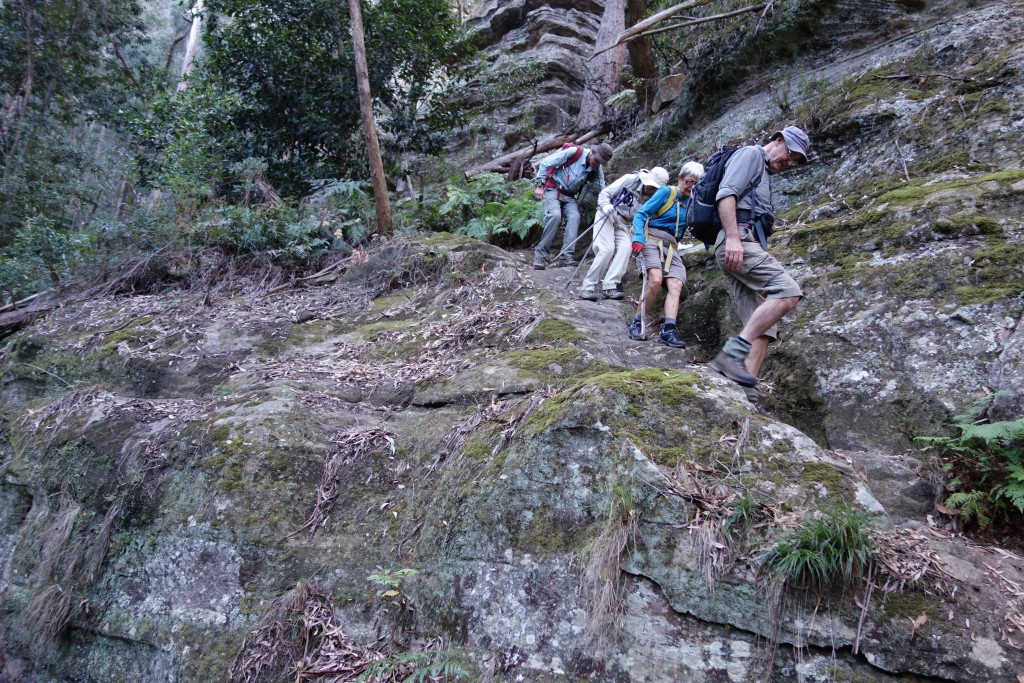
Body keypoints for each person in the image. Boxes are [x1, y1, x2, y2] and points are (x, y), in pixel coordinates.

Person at [708, 126, 811, 398]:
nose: (789, 162)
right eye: (790, 154)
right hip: (737, 240)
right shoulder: (751, 155)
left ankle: (746, 392)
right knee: (788, 291)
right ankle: (731, 355)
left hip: (745, 241)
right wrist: (732, 238)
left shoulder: (764, 172)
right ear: (778, 140)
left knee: (765, 326)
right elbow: (726, 194)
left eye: (795, 161)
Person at [628, 162, 705, 347]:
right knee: (655, 279)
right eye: (689, 181)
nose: (691, 186)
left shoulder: (694, 202)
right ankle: (637, 322)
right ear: (680, 178)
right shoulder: (666, 193)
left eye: (696, 183)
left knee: (676, 284)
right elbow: (641, 214)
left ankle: (668, 330)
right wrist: (638, 236)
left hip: (671, 246)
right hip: (651, 239)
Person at [578, 167, 670, 301]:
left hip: (625, 224)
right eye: (650, 185)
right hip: (608, 214)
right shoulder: (630, 180)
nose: (651, 189)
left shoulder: (656, 197)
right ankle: (587, 287)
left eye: (655, 188)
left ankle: (610, 286)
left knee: (626, 248)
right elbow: (605, 193)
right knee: (606, 249)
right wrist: (605, 206)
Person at [532, 143, 613, 270]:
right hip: (554, 188)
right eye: (596, 160)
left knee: (575, 217)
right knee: (555, 215)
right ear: (592, 153)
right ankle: (540, 256)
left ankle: (566, 257)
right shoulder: (574, 152)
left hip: (570, 196)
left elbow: (601, 187)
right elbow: (545, 163)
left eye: (600, 163)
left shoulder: (597, 168)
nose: (597, 164)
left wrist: (606, 204)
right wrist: (540, 185)